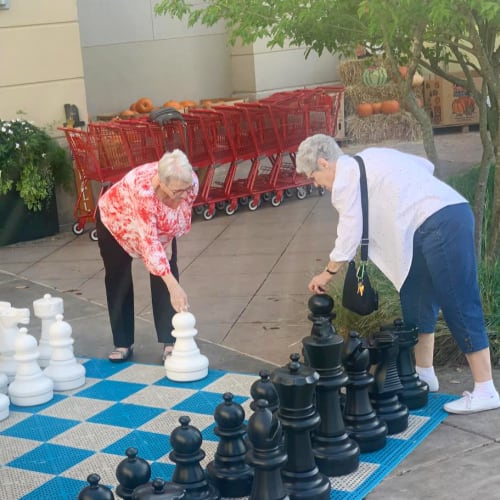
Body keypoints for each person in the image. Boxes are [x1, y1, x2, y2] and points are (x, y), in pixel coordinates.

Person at [296, 133, 499, 415]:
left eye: (312, 177)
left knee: (459, 302)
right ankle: (424, 373)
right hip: (433, 221)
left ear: (324, 163)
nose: (316, 184)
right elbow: (424, 165)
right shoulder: (370, 155)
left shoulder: (344, 180)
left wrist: (327, 273)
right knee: (415, 298)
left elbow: (349, 233)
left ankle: (485, 388)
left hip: (440, 222)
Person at [95, 149, 198, 363]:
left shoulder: (189, 182)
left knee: (167, 269)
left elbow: (180, 217)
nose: (183, 194)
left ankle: (170, 340)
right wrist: (174, 286)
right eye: (177, 191)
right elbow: (149, 245)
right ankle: (122, 342)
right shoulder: (143, 191)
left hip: (154, 228)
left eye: (186, 189)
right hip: (116, 222)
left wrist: (168, 242)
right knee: (118, 278)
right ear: (161, 183)